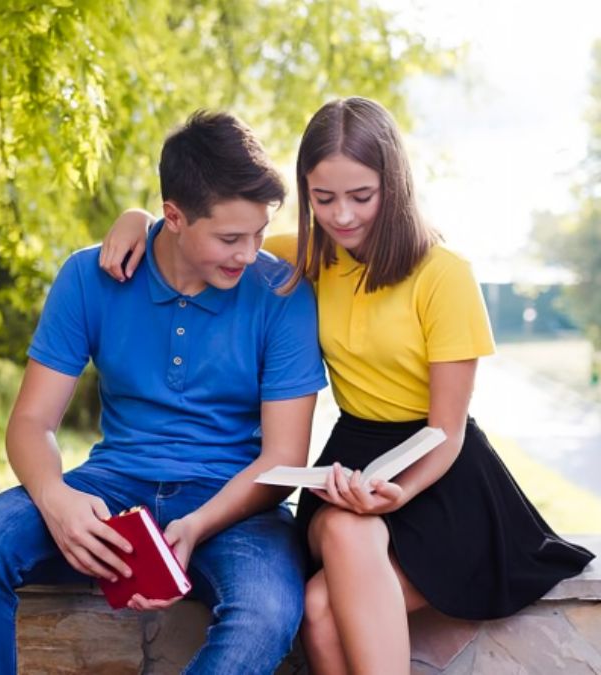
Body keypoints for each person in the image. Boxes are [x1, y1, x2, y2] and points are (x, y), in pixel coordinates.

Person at [100, 96, 595, 675]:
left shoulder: (445, 275)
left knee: (318, 608)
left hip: (438, 469)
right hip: (351, 456)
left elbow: (448, 430)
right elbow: (201, 229)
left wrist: (401, 493)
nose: (342, 217)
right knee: (340, 528)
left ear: (395, 185)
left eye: (361, 196)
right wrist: (135, 218)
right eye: (323, 198)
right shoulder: (307, 255)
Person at [0, 110, 328, 675]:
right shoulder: (89, 277)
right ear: (174, 216)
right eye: (230, 237)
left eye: (260, 234)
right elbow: (31, 423)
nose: (250, 253)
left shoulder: (282, 294)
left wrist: (195, 527)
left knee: (267, 610)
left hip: (237, 502)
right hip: (115, 482)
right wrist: (56, 499)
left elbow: (283, 460)